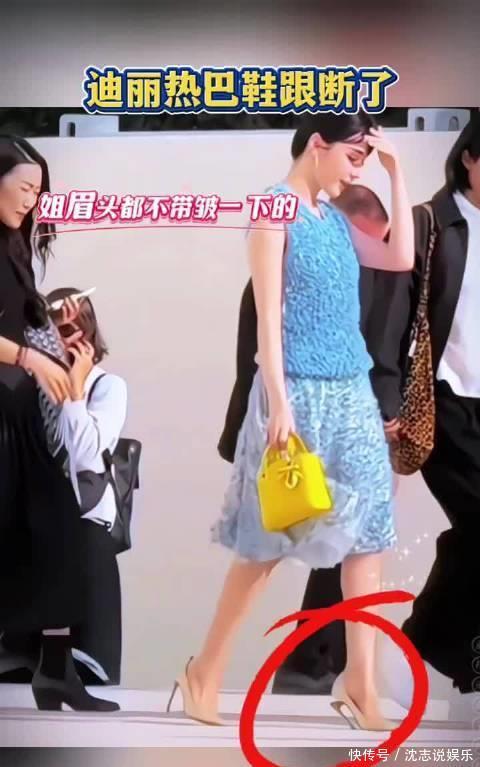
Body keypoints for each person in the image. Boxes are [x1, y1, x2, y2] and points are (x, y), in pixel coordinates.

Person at [167, 112, 414, 730]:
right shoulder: (273, 212)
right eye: (353, 157)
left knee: (370, 538)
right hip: (296, 394)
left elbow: (401, 255)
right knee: (268, 542)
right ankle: (205, 672)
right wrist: (279, 402)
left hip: (352, 392)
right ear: (317, 145)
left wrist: (396, 171)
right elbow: (268, 318)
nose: (357, 171)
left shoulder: (335, 218)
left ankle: (360, 684)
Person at [217, 184, 395, 696]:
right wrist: (277, 413)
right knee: (271, 544)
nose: (370, 256)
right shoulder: (284, 262)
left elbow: (376, 338)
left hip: (344, 418)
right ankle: (217, 668)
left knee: (357, 538)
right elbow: (257, 352)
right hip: (291, 424)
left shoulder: (355, 272)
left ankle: (339, 671)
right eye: (366, 241)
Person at [0, 136, 119, 712]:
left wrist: (51, 344)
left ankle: (55, 670)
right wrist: (29, 357)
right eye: (24, 187)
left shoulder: (16, 249)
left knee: (60, 534)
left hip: (19, 415)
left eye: (38, 191)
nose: (32, 200)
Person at [1, 288, 127, 688]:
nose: (65, 340)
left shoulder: (108, 388)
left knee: (88, 665)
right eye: (56, 330)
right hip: (34, 518)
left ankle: (80, 663)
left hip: (84, 520)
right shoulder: (30, 386)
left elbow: (87, 454)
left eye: (74, 330)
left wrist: (74, 392)